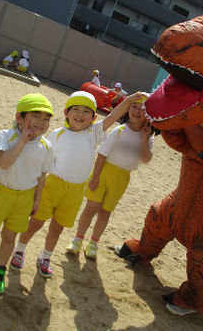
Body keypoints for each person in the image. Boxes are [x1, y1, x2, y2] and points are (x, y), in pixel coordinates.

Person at [10, 90, 149, 278]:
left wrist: (131, 99)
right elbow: (40, 163)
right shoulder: (57, 134)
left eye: (86, 111)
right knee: (36, 222)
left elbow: (114, 115)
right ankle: (20, 249)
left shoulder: (94, 133)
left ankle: (46, 256)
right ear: (66, 112)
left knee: (57, 227)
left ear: (93, 117)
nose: (80, 115)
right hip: (52, 185)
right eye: (75, 109)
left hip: (75, 191)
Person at [0, 93, 54, 294]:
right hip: (1, 193)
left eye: (46, 118)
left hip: (24, 198)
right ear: (19, 117)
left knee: (9, 236)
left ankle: (0, 270)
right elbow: (4, 163)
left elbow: (42, 176)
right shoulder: (6, 136)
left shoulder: (46, 147)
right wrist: (22, 140)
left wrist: (37, 200)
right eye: (36, 115)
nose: (42, 122)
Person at [66, 100, 154, 259]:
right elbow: (102, 154)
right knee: (91, 207)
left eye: (143, 108)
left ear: (149, 114)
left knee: (105, 212)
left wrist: (143, 138)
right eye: (134, 106)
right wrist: (95, 177)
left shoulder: (147, 136)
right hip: (104, 172)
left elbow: (145, 159)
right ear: (128, 109)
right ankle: (78, 239)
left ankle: (93, 243)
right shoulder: (119, 131)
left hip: (122, 177)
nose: (137, 111)